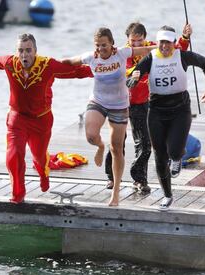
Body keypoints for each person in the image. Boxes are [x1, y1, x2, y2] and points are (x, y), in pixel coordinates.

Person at [0, 33, 93, 203]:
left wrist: (106, 69)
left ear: (35, 51)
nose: (24, 55)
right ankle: (17, 195)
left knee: (39, 157)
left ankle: (43, 174)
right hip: (17, 119)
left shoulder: (47, 65)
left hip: (41, 120)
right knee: (13, 155)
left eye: (28, 50)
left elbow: (75, 71)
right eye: (21, 50)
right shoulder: (10, 62)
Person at [62, 27, 155, 206]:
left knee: (117, 148)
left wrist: (168, 47)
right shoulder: (91, 56)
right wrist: (46, 63)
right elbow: (69, 62)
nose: (100, 48)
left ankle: (116, 192)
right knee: (90, 136)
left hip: (119, 105)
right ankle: (99, 146)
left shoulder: (121, 53)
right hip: (98, 101)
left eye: (104, 45)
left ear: (112, 43)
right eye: (97, 45)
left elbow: (144, 50)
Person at [127, 25, 205, 209]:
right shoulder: (151, 57)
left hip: (180, 110)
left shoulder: (182, 56)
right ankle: (167, 195)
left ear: (174, 43)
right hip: (156, 110)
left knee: (174, 151)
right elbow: (133, 73)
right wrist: (133, 78)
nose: (164, 46)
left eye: (168, 42)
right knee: (159, 156)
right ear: (157, 43)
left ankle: (176, 158)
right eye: (161, 42)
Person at [105, 22, 191, 194]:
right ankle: (112, 177)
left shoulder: (153, 49)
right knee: (117, 142)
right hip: (120, 102)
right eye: (133, 41)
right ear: (127, 40)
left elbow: (176, 50)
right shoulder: (122, 53)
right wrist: (134, 73)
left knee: (144, 145)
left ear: (145, 39)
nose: (136, 44)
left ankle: (139, 179)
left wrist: (185, 37)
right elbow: (122, 71)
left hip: (142, 103)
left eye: (140, 41)